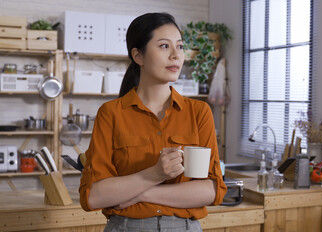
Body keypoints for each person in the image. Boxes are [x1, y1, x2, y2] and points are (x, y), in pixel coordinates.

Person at [79, 12, 227, 232]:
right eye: (164, 46)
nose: (176, 55)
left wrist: (141, 193)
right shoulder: (111, 113)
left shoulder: (199, 112)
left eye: (180, 46)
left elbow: (211, 191)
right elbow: (94, 196)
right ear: (138, 56)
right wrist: (154, 174)